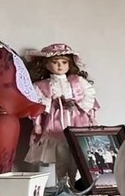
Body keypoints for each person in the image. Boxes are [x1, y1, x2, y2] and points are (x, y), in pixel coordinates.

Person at [26, 43, 100, 182]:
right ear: (46, 65)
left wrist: (90, 117)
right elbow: (38, 107)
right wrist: (37, 124)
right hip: (55, 122)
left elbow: (90, 99)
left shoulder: (77, 81)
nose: (60, 66)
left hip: (77, 120)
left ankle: (75, 181)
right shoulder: (42, 86)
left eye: (64, 62)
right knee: (59, 153)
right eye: (55, 62)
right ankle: (60, 182)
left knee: (78, 153)